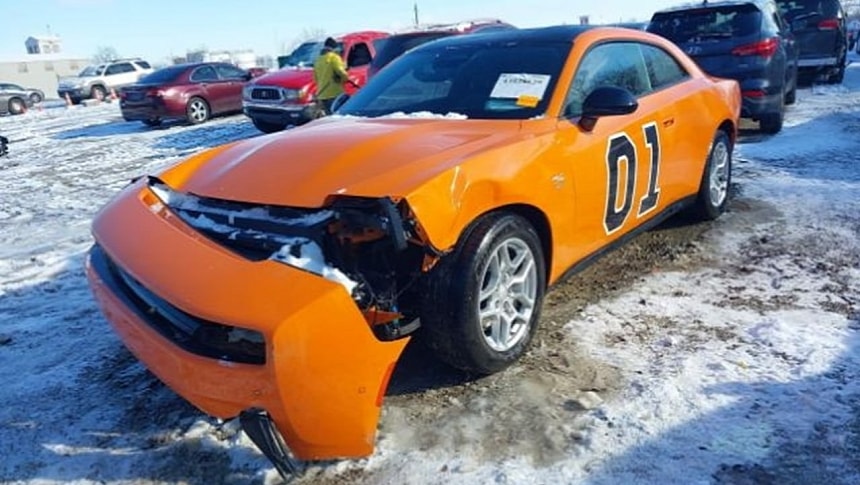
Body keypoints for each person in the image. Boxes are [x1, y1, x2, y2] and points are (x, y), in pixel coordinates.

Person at [312, 37, 355, 115]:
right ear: (334, 48)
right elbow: (341, 72)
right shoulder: (334, 57)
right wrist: (344, 79)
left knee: (330, 118)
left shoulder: (317, 60)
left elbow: (315, 79)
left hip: (322, 95)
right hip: (335, 93)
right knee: (339, 116)